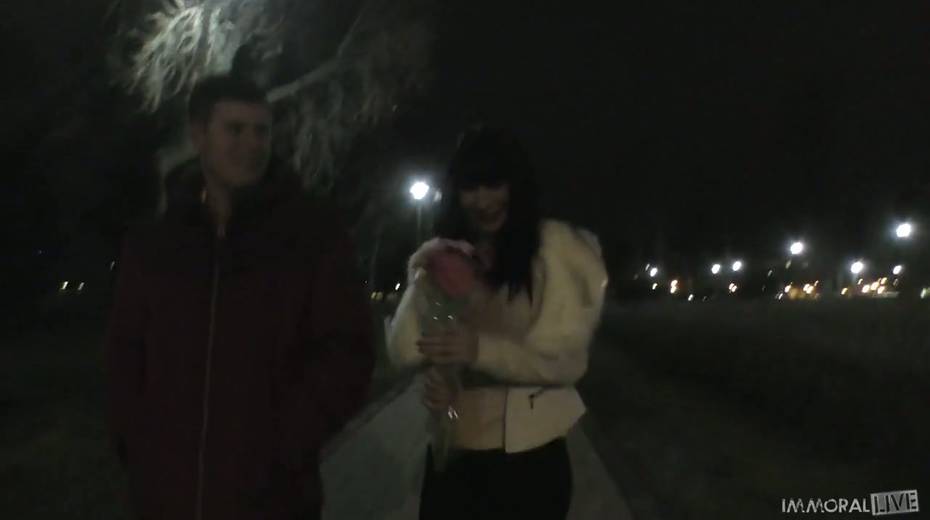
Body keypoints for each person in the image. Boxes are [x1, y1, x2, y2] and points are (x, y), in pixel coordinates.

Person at [105, 74, 374, 520]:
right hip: (165, 498)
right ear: (198, 135)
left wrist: (284, 442)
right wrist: (139, 448)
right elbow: (125, 353)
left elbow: (348, 351)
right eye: (234, 129)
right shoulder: (155, 244)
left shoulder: (312, 236)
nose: (251, 144)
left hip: (272, 500)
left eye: (261, 131)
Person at [387, 126, 608, 519]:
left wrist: (478, 350)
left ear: (516, 185)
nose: (483, 200)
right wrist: (420, 272)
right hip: (454, 457)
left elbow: (566, 361)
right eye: (471, 188)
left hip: (530, 463)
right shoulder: (453, 254)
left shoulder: (555, 248)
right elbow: (403, 351)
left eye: (494, 184)